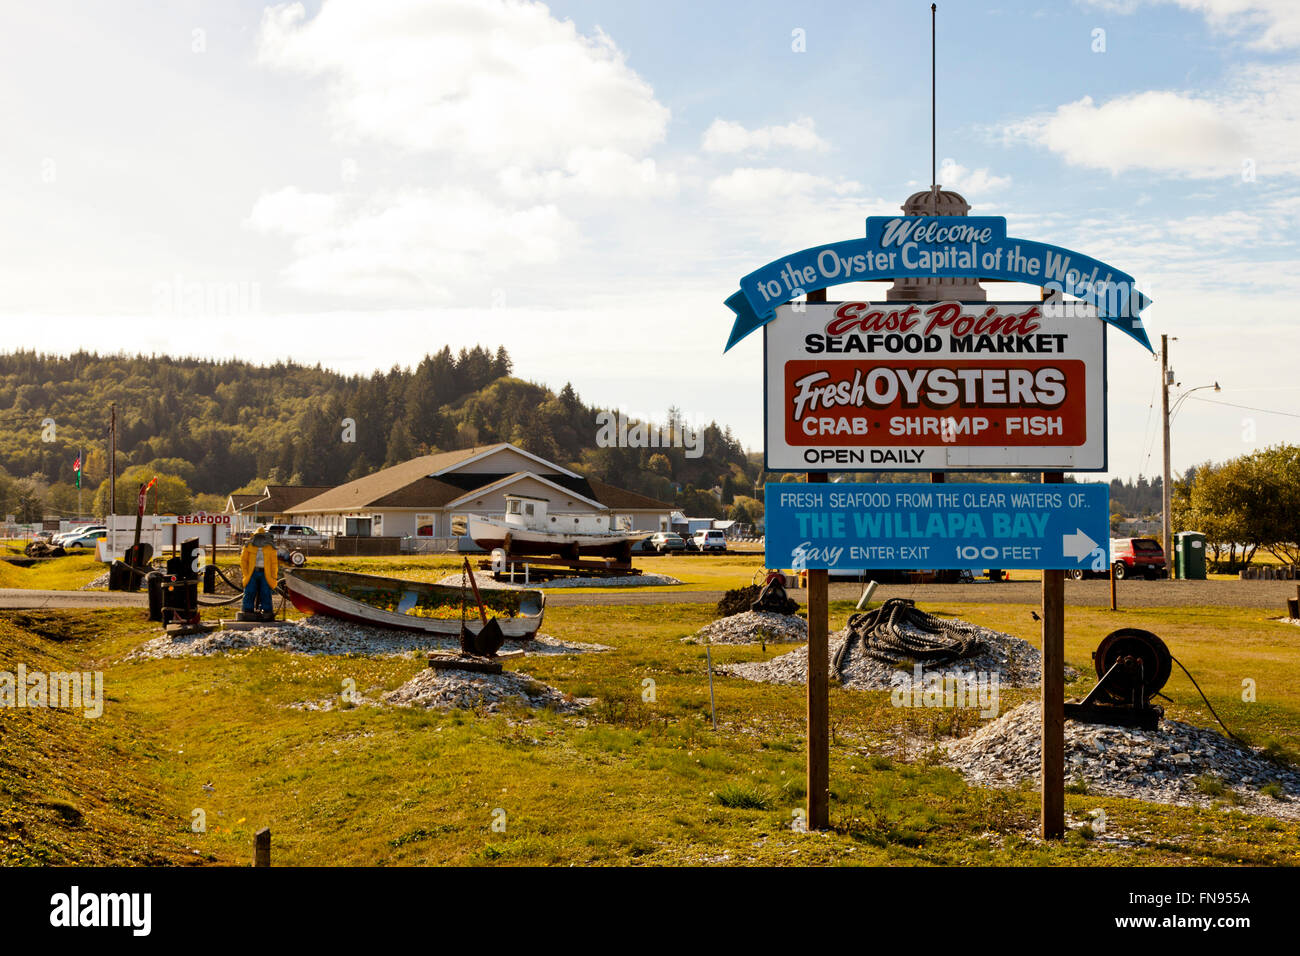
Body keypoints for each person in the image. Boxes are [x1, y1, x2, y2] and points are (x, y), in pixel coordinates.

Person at [240, 527, 279, 621]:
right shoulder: (248, 546)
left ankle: (266, 611)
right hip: (252, 573)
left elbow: (274, 563)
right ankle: (247, 610)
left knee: (265, 591)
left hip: (266, 573)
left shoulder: (270, 547)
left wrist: (274, 576)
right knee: (249, 591)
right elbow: (243, 560)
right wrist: (245, 573)